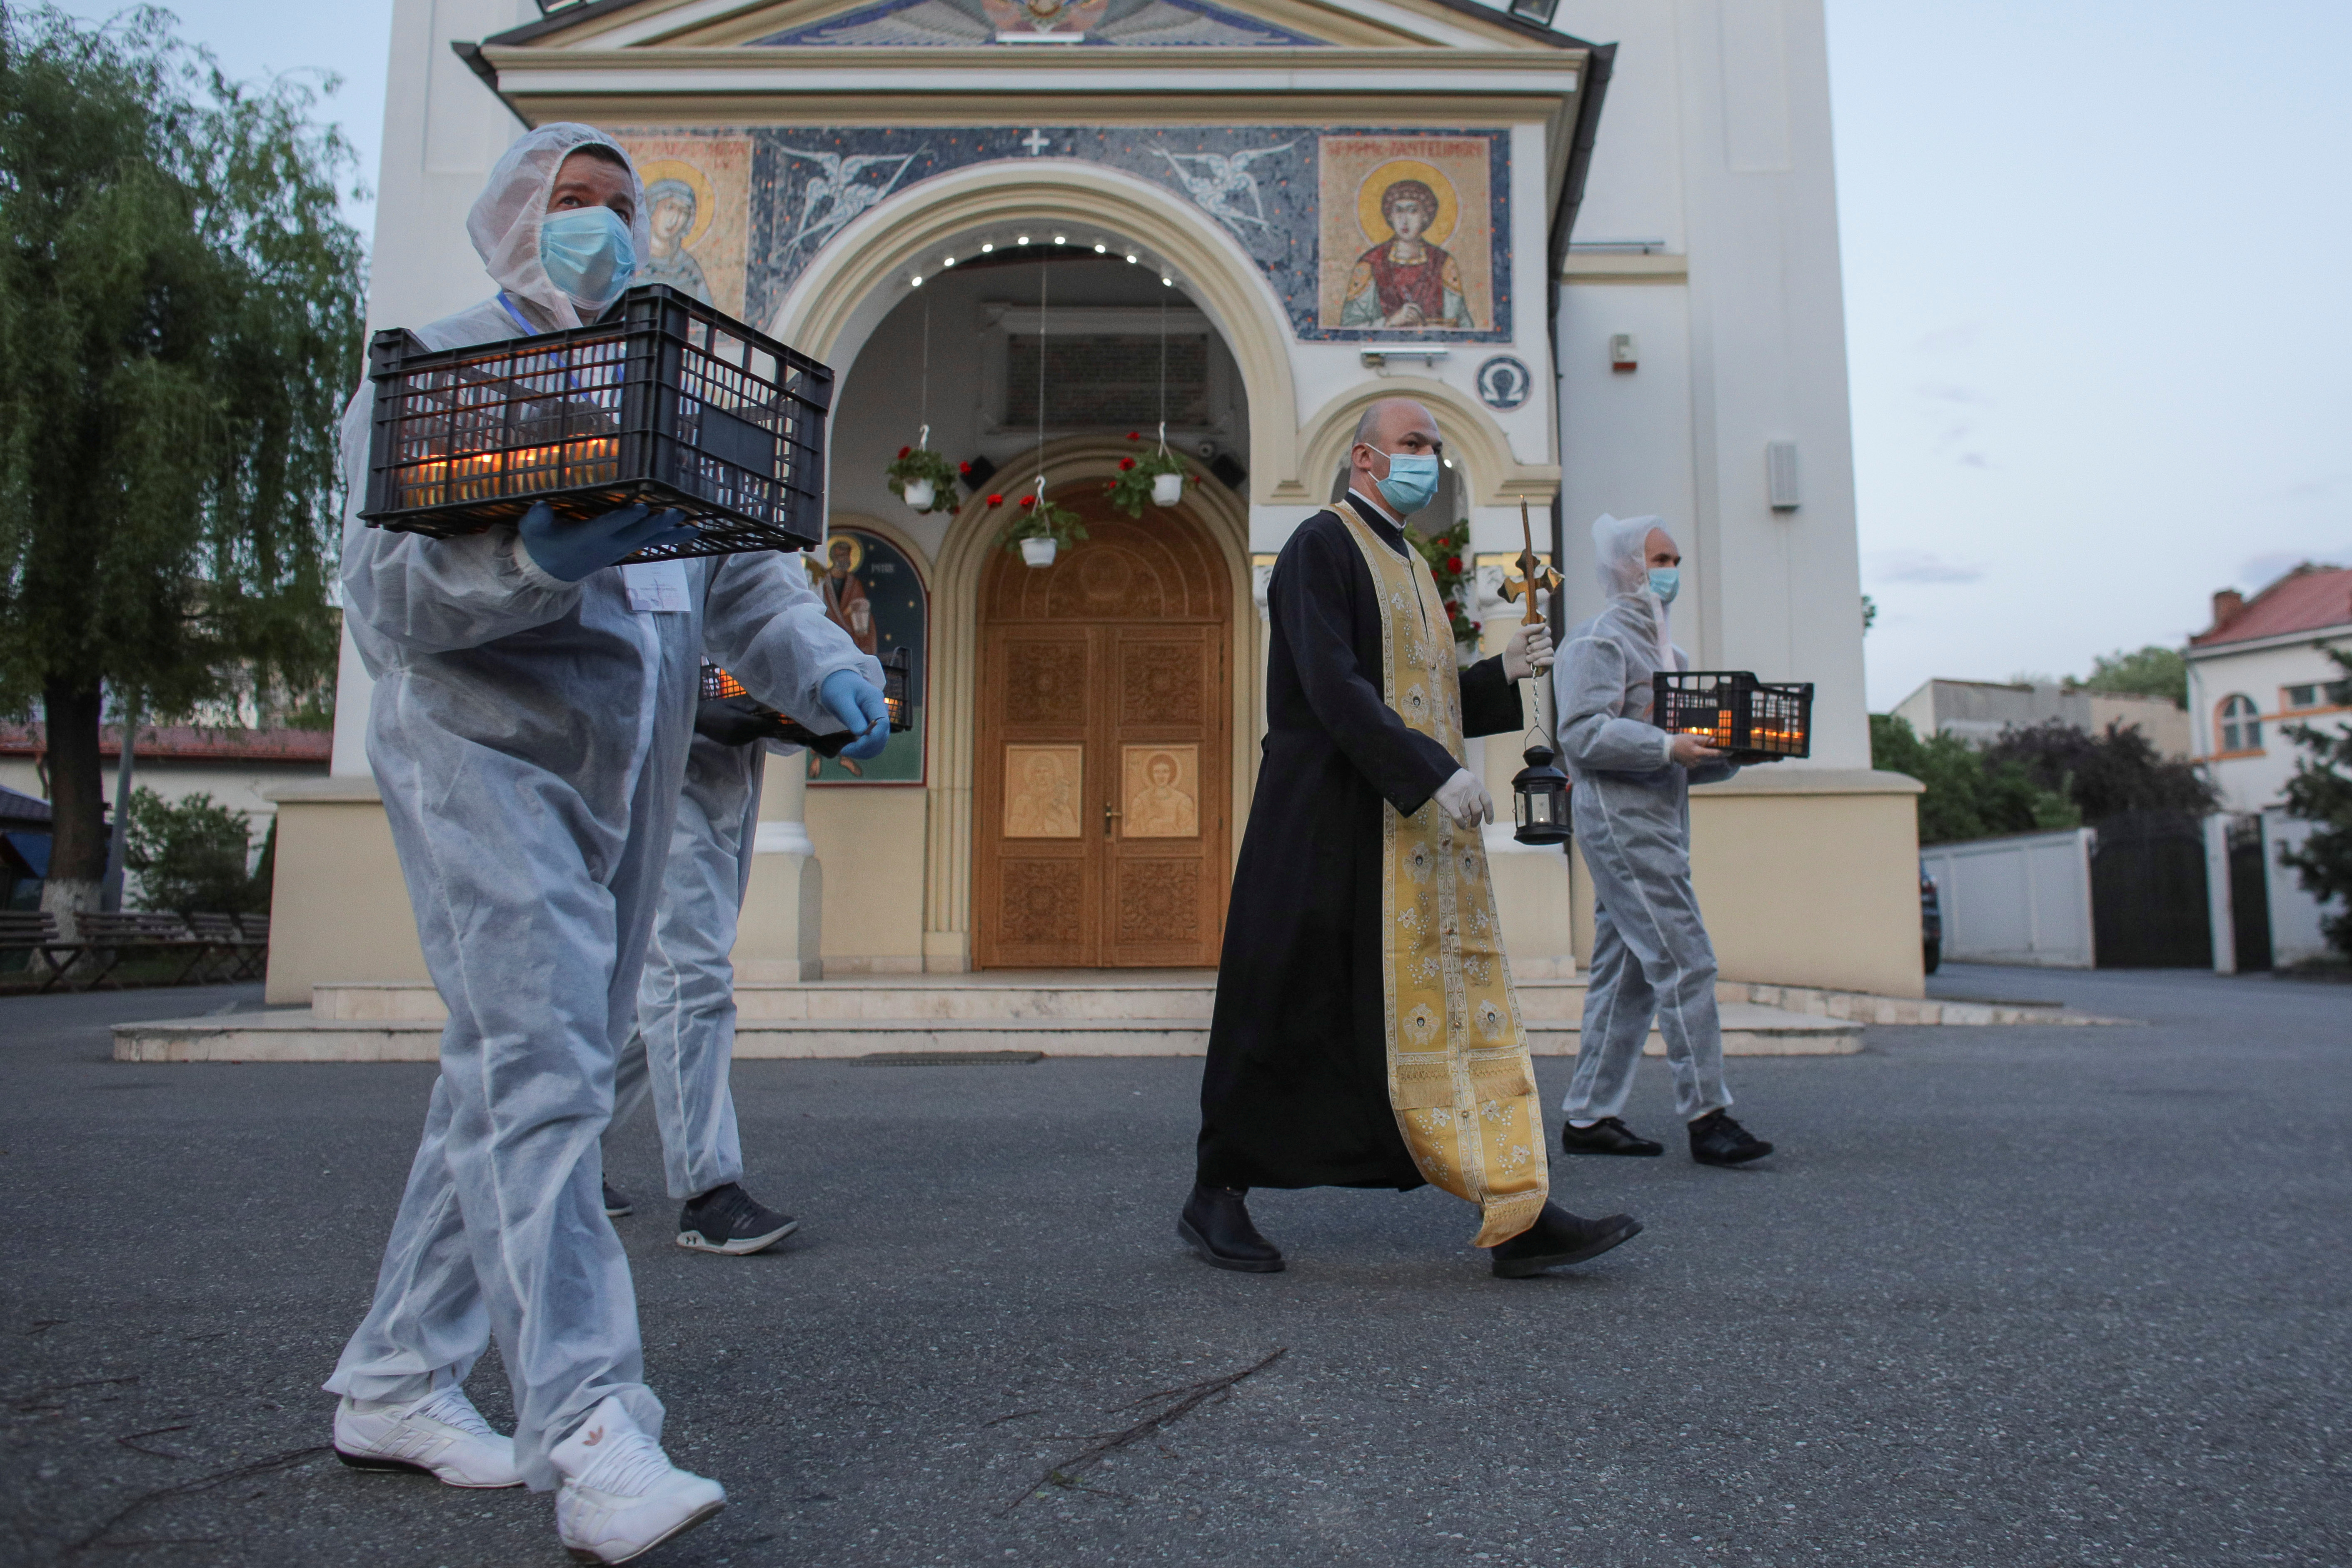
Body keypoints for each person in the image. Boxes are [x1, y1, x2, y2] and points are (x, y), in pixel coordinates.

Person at [322, 125, 889, 1566]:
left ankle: (393, 1376)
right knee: (550, 1064)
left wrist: (819, 662)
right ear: (514, 218)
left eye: (620, 208)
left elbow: (745, 571)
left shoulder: (667, 375)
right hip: (483, 750)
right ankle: (586, 1427)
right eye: (571, 206)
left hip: (629, 766)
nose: (600, 231)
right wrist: (530, 556)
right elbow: (387, 609)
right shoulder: (437, 364)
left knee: (511, 1069)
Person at [1184, 397, 1643, 1279]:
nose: (1427, 459)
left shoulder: (1412, 561)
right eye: (1412, 445)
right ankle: (1216, 1193)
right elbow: (1335, 686)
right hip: (1325, 826)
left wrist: (1500, 676)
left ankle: (1515, 1208)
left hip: (1410, 835)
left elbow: (1419, 692)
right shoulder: (1323, 546)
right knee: (1286, 1006)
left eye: (1433, 445)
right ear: (1364, 459)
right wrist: (1436, 771)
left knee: (1456, 1015)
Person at [1551, 514, 1775, 1168]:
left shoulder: (1667, 655)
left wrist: (1736, 756)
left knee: (1626, 975)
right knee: (1685, 958)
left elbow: (1678, 757)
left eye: (1675, 558)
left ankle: (1590, 1115)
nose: (1670, 570)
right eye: (1660, 558)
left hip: (1657, 821)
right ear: (1625, 566)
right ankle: (1708, 1117)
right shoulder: (1595, 642)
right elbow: (1582, 735)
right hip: (1619, 824)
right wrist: (1664, 745)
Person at [598, 684, 800, 1256]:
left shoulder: (728, 592)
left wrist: (814, 711)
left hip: (727, 788)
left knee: (652, 999)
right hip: (659, 783)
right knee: (691, 976)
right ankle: (707, 1193)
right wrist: (689, 708)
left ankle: (564, 1151)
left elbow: (767, 634)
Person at [1339, 179, 1473, 331]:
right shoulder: (1370, 264)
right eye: (1398, 211)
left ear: (1426, 216)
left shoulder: (1443, 263)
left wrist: (1426, 327)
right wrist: (1390, 322)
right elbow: (1349, 328)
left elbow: (1464, 327)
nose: (1404, 220)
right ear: (1389, 216)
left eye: (1413, 211)